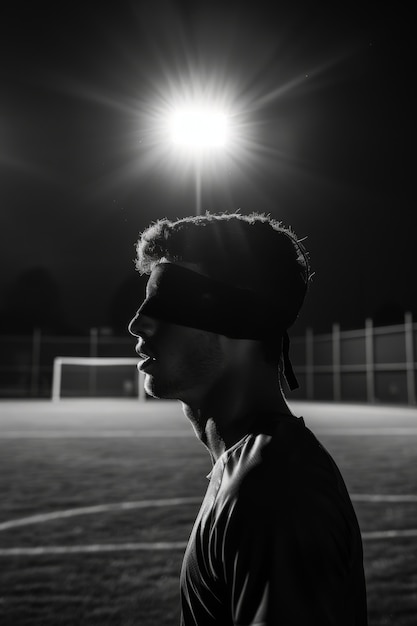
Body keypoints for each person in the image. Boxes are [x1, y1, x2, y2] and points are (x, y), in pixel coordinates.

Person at [128, 212, 368, 626]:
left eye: (165, 302)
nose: (137, 323)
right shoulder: (249, 466)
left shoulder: (277, 484)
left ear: (237, 319)